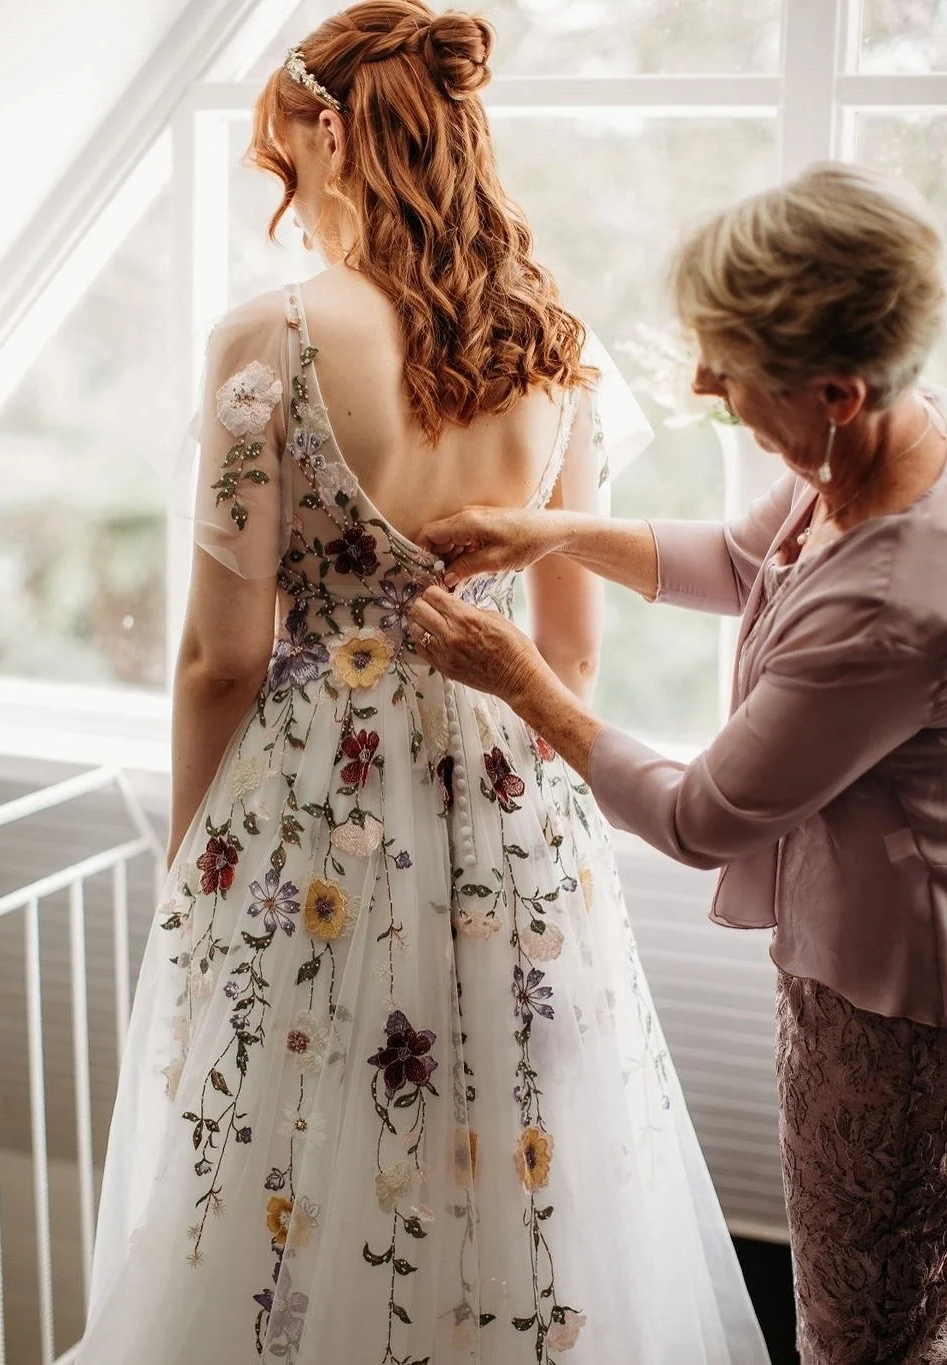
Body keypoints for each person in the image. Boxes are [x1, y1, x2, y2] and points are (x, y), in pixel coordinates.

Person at [76, 4, 769, 1363]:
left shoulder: (268, 338)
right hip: (510, 798)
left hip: (309, 815)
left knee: (297, 1142)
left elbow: (223, 656)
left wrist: (191, 858)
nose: (284, 186)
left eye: (284, 153)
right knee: (513, 1137)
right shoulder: (552, 345)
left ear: (331, 133)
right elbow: (571, 650)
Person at [409, 162, 947, 1365]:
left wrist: (518, 678)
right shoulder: (881, 450)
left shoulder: (893, 597)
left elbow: (701, 818)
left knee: (868, 1322)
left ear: (837, 391)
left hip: (903, 1000)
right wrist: (549, 531)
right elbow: (738, 562)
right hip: (861, 957)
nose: (702, 386)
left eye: (729, 368)